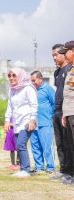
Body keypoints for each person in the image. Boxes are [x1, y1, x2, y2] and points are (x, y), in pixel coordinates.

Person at [4, 67, 38, 178]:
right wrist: (7, 120)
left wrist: (32, 119)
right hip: (17, 122)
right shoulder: (12, 89)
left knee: (21, 144)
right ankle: (22, 169)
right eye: (9, 75)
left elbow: (34, 104)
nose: (11, 78)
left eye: (14, 75)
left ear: (20, 75)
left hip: (27, 120)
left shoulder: (28, 88)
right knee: (18, 146)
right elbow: (10, 106)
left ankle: (26, 170)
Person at [51, 43, 73, 181]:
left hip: (68, 110)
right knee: (59, 142)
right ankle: (64, 169)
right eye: (52, 55)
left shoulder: (70, 69)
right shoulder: (57, 72)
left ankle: (71, 171)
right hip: (58, 110)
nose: (54, 57)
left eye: (56, 54)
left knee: (68, 142)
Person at [30, 71, 55, 174]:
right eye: (31, 81)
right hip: (33, 123)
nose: (32, 83)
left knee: (47, 146)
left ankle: (50, 167)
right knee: (35, 146)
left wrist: (50, 116)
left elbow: (55, 103)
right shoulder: (31, 90)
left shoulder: (47, 89)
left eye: (34, 80)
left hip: (45, 123)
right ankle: (39, 167)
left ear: (40, 79)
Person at [58, 41, 74, 184]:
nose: (64, 54)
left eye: (66, 51)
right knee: (71, 145)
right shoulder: (71, 69)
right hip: (69, 113)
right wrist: (65, 113)